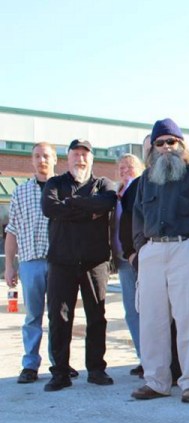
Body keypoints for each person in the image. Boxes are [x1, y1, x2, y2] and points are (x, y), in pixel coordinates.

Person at [131, 119, 189, 404]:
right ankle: (156, 381)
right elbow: (137, 218)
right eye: (160, 143)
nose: (167, 147)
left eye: (172, 141)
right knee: (152, 321)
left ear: (182, 145)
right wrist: (141, 248)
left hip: (186, 249)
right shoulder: (145, 179)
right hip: (153, 252)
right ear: (153, 148)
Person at [42, 139, 117, 392]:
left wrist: (70, 203)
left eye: (85, 155)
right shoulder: (55, 183)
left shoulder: (103, 184)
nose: (80, 159)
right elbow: (49, 208)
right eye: (75, 155)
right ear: (68, 158)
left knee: (97, 316)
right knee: (59, 317)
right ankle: (60, 372)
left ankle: (96, 369)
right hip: (61, 262)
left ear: (91, 159)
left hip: (95, 262)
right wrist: (88, 210)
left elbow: (107, 203)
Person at [5, 142, 58, 384]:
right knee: (33, 316)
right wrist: (9, 265)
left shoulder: (63, 188)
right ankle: (30, 365)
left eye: (46, 155)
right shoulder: (20, 192)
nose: (41, 160)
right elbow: (12, 230)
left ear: (54, 159)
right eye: (37, 156)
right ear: (32, 160)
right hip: (30, 262)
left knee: (59, 316)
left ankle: (60, 364)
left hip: (59, 263)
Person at [111, 153, 144, 377]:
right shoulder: (114, 195)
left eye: (130, 167)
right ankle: (143, 356)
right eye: (121, 168)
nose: (125, 171)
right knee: (132, 311)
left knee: (150, 310)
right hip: (123, 261)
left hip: (143, 259)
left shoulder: (142, 189)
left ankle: (157, 357)